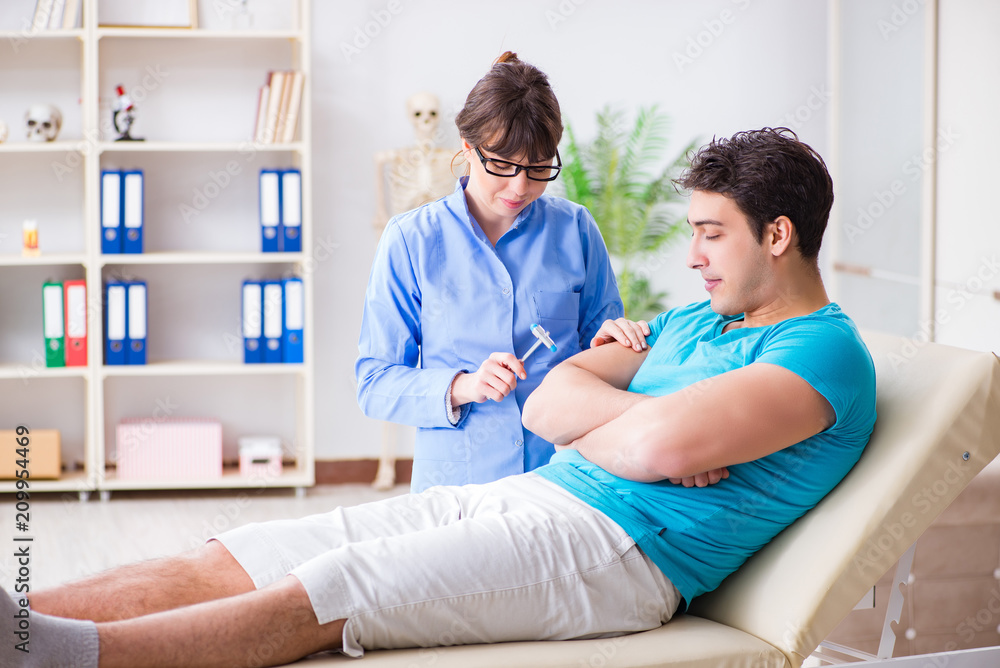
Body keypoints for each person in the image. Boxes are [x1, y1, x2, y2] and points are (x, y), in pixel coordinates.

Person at [4, 128, 876, 668]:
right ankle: (20, 623)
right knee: (258, 545)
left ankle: (55, 659)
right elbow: (546, 403)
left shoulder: (822, 352)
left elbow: (642, 450)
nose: (693, 256)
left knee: (336, 585)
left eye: (710, 233)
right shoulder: (697, 325)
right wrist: (648, 423)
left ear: (779, 234)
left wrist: (628, 426)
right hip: (542, 493)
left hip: (623, 554)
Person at [355, 52, 649, 492]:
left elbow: (605, 357)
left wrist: (615, 342)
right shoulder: (410, 240)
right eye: (503, 165)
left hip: (563, 476)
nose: (519, 187)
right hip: (457, 487)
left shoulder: (576, 230)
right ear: (468, 147)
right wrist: (463, 386)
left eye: (537, 169)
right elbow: (375, 383)